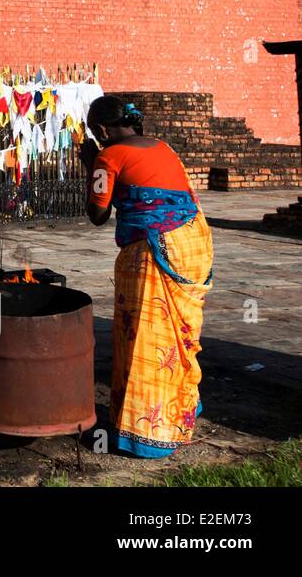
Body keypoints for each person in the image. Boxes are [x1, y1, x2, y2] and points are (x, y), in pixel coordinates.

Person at [81, 95, 214, 459]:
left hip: (153, 251)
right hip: (192, 244)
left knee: (144, 338)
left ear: (103, 130)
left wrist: (90, 166)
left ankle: (146, 432)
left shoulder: (109, 156)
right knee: (178, 337)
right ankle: (179, 416)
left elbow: (97, 214)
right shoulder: (163, 147)